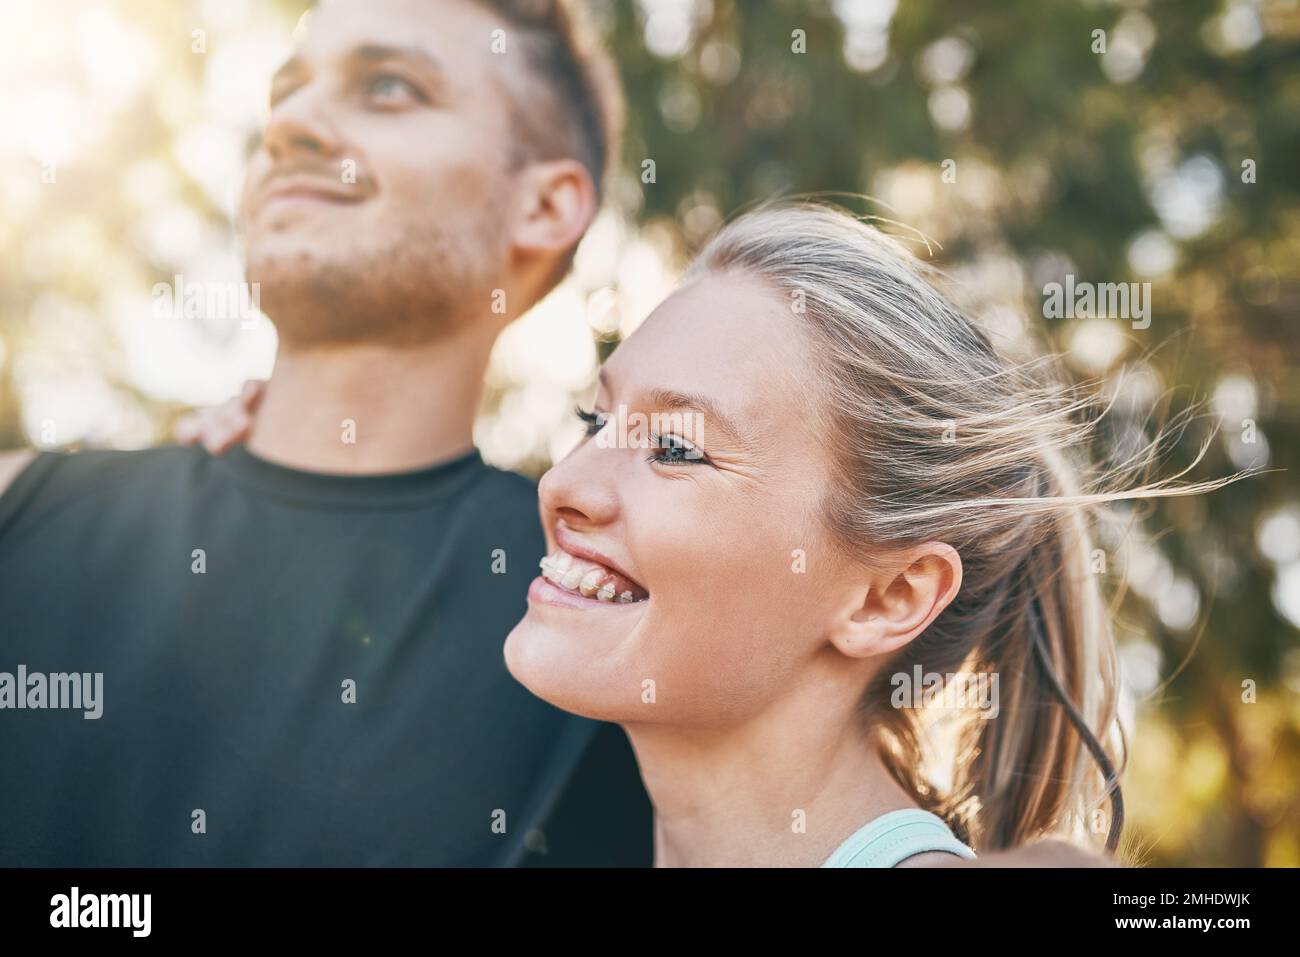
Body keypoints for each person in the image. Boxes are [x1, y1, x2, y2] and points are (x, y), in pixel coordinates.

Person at [190, 204, 1240, 866]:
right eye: (595, 422)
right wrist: (253, 458)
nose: (564, 483)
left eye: (678, 452)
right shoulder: (566, 778)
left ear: (884, 598)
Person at [0, 0, 651, 866]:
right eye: (289, 92)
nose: (293, 123)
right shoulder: (21, 511)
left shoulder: (616, 626)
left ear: (543, 205)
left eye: (388, 87)